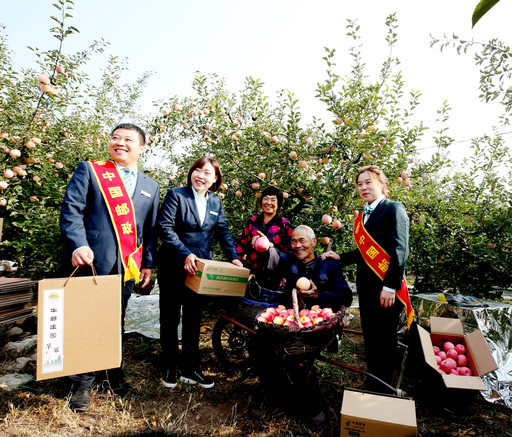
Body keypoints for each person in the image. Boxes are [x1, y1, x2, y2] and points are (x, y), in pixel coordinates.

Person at [60, 123, 160, 412]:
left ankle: (111, 372)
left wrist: (147, 264)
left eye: (128, 139)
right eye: (116, 138)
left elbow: (149, 231)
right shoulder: (91, 171)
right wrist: (78, 244)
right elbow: (71, 210)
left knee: (116, 319)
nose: (120, 143)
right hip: (91, 260)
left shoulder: (151, 186)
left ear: (141, 148)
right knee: (87, 319)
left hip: (127, 266)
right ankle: (81, 383)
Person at [251, 225, 352, 425]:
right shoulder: (290, 260)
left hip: (316, 326)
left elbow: (346, 296)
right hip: (289, 321)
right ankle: (279, 394)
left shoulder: (329, 265)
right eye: (294, 241)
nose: (297, 245)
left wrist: (318, 296)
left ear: (314, 242)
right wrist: (267, 247)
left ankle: (312, 407)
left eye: (302, 240)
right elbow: (276, 257)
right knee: (258, 344)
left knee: (299, 357)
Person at [157, 156, 243, 390]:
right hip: (174, 265)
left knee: (193, 318)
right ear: (191, 172)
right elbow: (165, 228)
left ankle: (190, 368)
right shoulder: (177, 195)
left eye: (207, 173)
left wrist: (234, 258)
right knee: (170, 317)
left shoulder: (215, 202)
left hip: (199, 270)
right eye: (198, 170)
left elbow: (223, 232)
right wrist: (185, 253)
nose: (201, 176)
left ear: (215, 180)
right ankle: (170, 366)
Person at [323, 165, 409, 393]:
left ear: (381, 183)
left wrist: (390, 286)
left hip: (385, 288)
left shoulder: (394, 208)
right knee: (370, 336)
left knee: (385, 338)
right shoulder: (363, 217)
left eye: (368, 182)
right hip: (367, 287)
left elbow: (400, 250)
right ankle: (373, 381)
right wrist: (341, 257)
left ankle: (384, 388)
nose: (363, 187)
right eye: (360, 184)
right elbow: (365, 252)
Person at [236, 186, 292, 289]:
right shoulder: (253, 221)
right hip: (251, 272)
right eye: (266, 199)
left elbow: (289, 251)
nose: (268, 202)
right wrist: (236, 262)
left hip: (273, 276)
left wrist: (285, 274)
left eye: (273, 200)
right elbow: (241, 244)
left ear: (279, 203)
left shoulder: (284, 224)